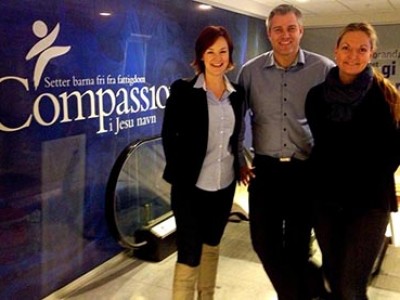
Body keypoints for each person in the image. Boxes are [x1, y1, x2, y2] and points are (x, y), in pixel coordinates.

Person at [237, 4, 335, 299]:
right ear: (268, 34)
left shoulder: (324, 69)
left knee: (296, 247)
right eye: (278, 29)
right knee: (263, 244)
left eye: (291, 28)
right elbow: (236, 119)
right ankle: (308, 292)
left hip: (304, 172)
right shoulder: (250, 71)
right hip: (265, 171)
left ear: (301, 30)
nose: (285, 35)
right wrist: (240, 157)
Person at [305, 22, 400, 299]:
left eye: (362, 49)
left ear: (371, 54)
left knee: (351, 286)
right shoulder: (316, 97)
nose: (352, 55)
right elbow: (322, 147)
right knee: (334, 278)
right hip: (326, 201)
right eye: (346, 47)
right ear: (335, 51)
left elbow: (393, 155)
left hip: (368, 204)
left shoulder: (387, 97)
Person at [161, 25, 245, 300]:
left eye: (223, 51)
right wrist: (180, 172)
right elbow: (168, 136)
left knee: (212, 244)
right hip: (190, 190)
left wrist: (242, 163)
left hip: (223, 187)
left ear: (230, 55)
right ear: (201, 56)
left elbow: (237, 137)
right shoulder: (184, 91)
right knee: (188, 251)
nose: (217, 57)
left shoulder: (237, 93)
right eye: (211, 51)